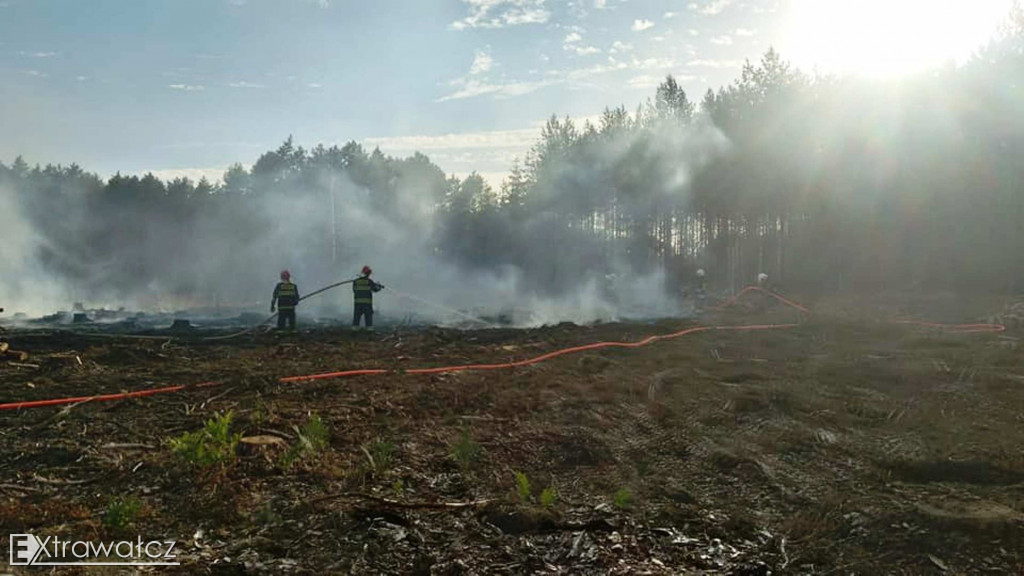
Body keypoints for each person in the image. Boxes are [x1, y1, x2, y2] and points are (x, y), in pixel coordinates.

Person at [352, 265, 384, 330]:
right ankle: (369, 331)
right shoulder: (369, 281)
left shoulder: (355, 281)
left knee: (356, 317)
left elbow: (354, 290)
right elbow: (375, 289)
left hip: (357, 303)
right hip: (367, 303)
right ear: (368, 273)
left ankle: (354, 331)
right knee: (368, 317)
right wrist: (379, 287)